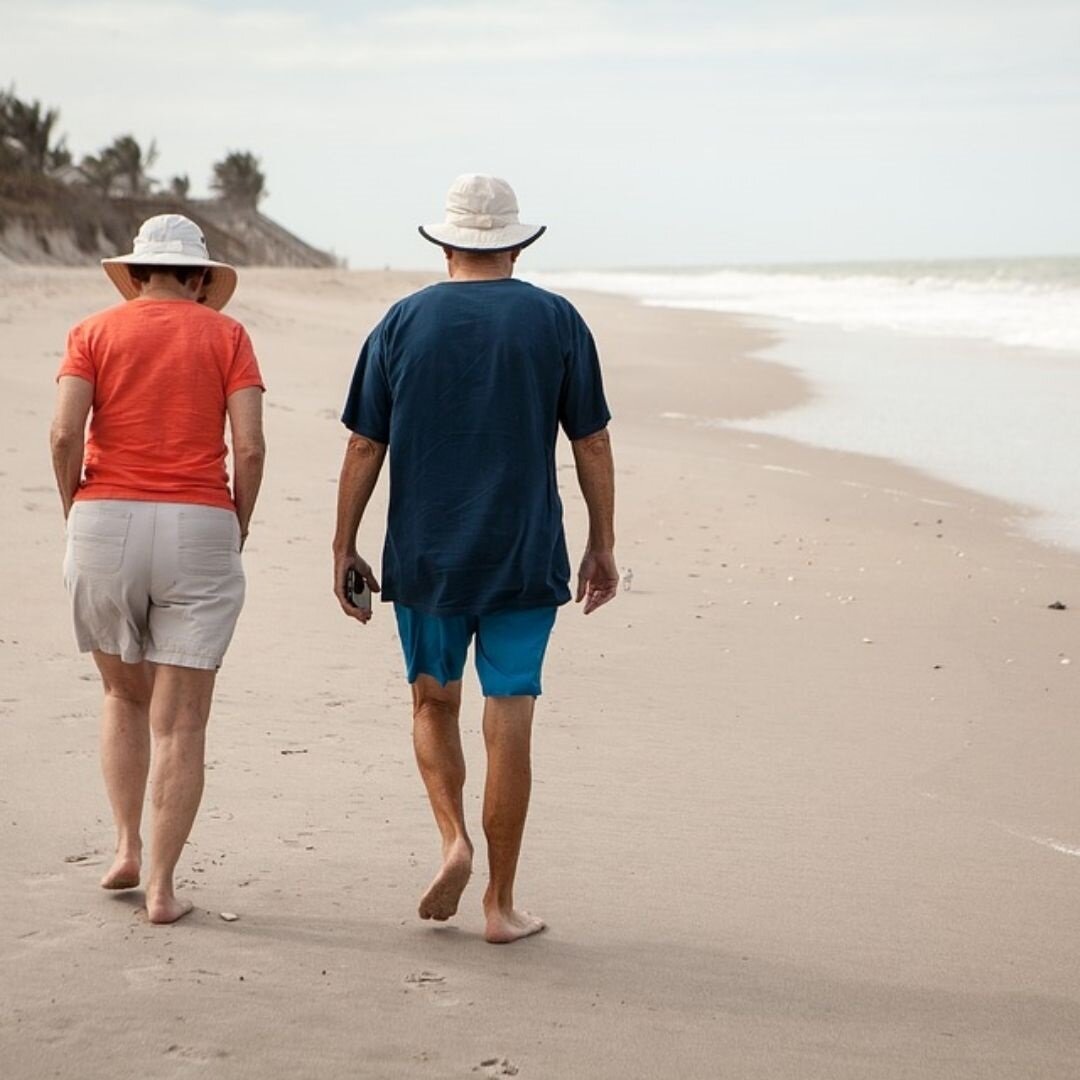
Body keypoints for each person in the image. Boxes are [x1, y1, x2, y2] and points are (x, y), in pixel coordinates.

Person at [333, 174, 617, 944]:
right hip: (524, 552)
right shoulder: (557, 320)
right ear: (517, 244)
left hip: (426, 555)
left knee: (433, 704)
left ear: (445, 242)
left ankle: (452, 838)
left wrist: (343, 544)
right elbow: (589, 439)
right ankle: (499, 902)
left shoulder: (401, 322)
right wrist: (602, 542)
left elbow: (366, 442)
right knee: (511, 714)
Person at [50, 214, 266, 924]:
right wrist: (235, 524)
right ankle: (165, 889)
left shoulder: (93, 333)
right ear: (201, 279)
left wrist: (72, 508)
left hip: (104, 518)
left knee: (122, 696)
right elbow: (251, 447)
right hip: (199, 522)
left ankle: (124, 848)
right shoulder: (227, 336)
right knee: (183, 722)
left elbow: (63, 432)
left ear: (136, 273)